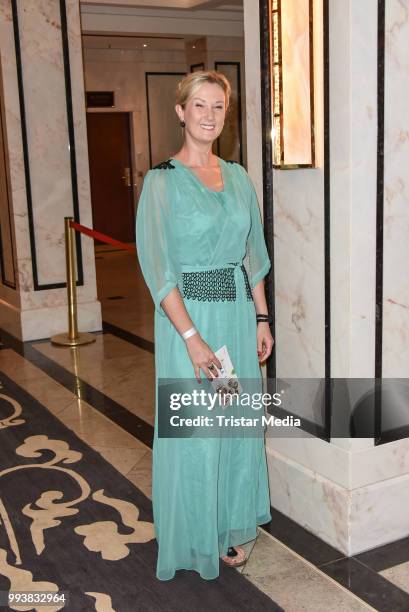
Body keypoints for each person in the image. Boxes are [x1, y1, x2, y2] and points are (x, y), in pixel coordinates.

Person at [135, 70, 274, 581]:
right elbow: (158, 268)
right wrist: (192, 340)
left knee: (235, 428)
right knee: (196, 432)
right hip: (187, 324)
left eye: (218, 106)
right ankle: (195, 534)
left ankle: (229, 525)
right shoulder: (161, 181)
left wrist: (261, 315)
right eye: (199, 105)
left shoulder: (238, 176)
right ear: (181, 112)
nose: (210, 115)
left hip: (236, 317)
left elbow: (252, 255)